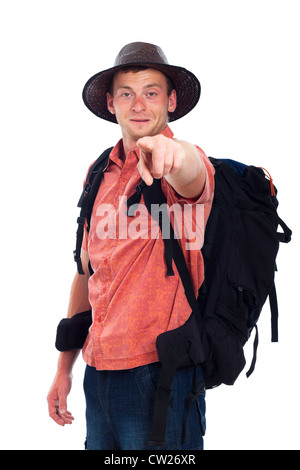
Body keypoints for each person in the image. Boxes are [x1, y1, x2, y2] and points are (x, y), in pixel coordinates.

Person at [47, 42, 215, 450]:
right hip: (98, 373)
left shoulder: (186, 163)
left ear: (171, 101)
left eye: (152, 92)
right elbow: (88, 272)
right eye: (127, 93)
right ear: (111, 103)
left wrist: (172, 154)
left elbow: (192, 174)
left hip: (161, 375)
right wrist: (64, 366)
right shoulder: (98, 171)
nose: (139, 104)